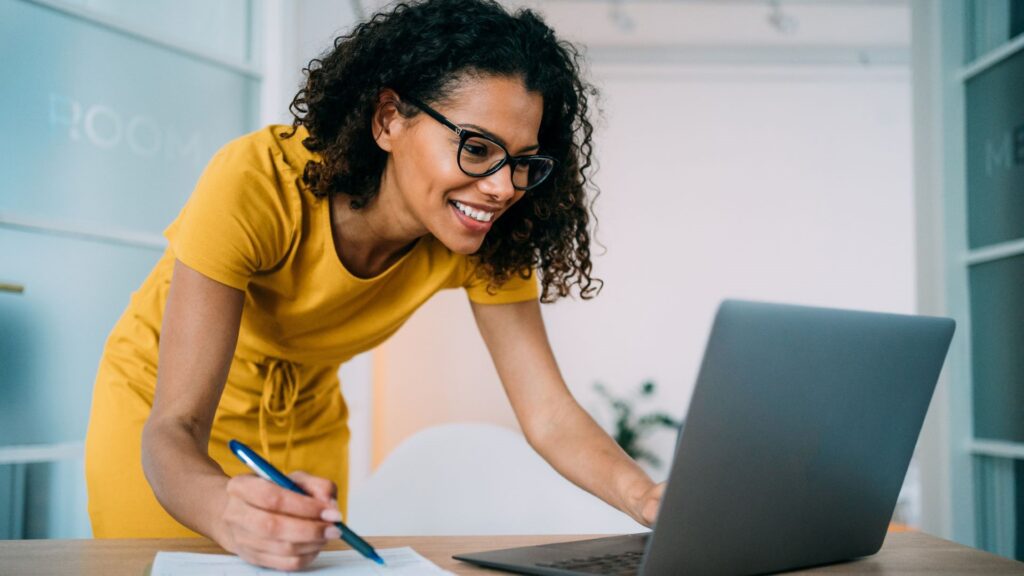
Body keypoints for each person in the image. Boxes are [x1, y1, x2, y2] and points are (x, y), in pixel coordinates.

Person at [84, 0, 664, 570]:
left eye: (522, 162)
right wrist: (223, 510)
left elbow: (550, 415)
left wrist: (647, 499)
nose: (502, 187)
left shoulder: (488, 240)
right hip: (165, 415)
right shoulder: (255, 184)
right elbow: (173, 427)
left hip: (304, 419)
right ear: (389, 120)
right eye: (478, 148)